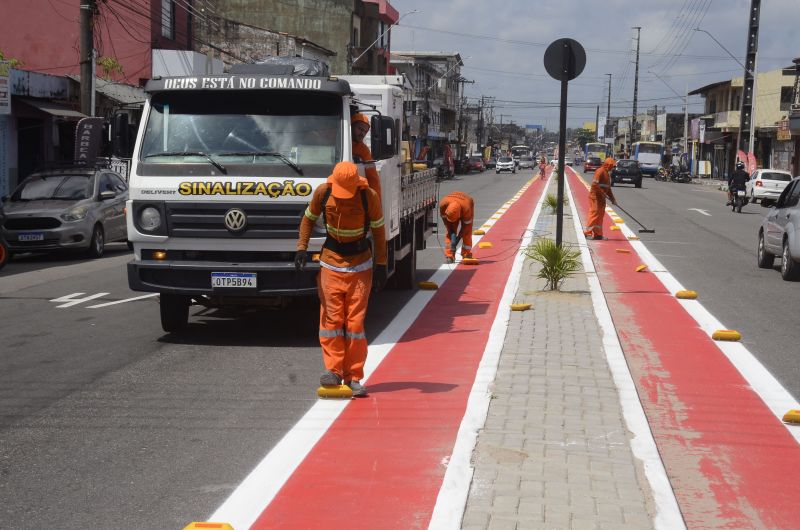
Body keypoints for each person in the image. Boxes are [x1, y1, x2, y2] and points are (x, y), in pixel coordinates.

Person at [295, 161, 387, 397]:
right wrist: (301, 248)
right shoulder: (324, 193)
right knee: (332, 321)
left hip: (360, 266)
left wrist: (382, 265)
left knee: (355, 325)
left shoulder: (369, 196)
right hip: (330, 264)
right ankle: (333, 371)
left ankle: (354, 376)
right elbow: (307, 219)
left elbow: (378, 231)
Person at [351, 113, 382, 202]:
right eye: (360, 129)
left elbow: (373, 178)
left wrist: (377, 202)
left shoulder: (364, 150)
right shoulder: (336, 140)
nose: (362, 134)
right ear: (351, 126)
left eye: (365, 131)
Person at [584, 157, 617, 240]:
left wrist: (612, 198)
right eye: (612, 166)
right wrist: (602, 193)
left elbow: (608, 188)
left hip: (601, 198)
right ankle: (587, 233)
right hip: (595, 197)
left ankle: (598, 234)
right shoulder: (600, 171)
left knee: (600, 216)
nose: (612, 168)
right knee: (594, 214)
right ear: (608, 165)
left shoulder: (607, 174)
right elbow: (595, 184)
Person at [439, 191, 474, 263]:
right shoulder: (443, 204)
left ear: (459, 215)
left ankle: (466, 253)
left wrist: (457, 239)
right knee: (449, 233)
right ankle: (450, 255)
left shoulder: (467, 208)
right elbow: (446, 222)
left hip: (466, 203)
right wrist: (452, 234)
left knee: (467, 232)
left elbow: (465, 227)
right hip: (453, 204)